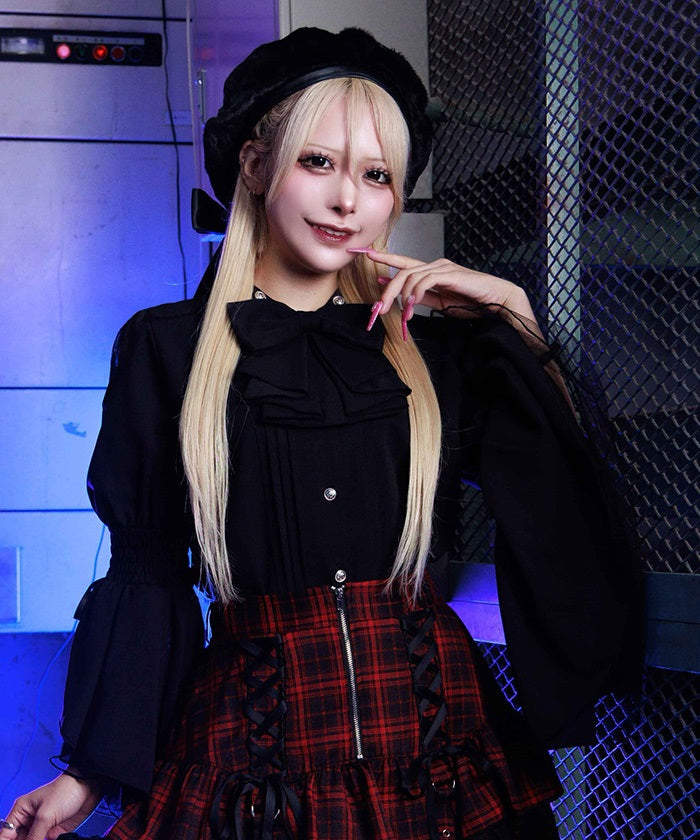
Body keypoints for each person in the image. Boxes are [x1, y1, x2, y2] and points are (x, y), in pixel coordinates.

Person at [1, 27, 640, 840]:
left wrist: (513, 315)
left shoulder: (435, 355)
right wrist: (87, 774)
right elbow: (147, 578)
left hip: (441, 760)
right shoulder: (167, 351)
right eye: (318, 162)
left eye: (376, 175)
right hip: (250, 769)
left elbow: (562, 501)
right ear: (254, 165)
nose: (347, 200)